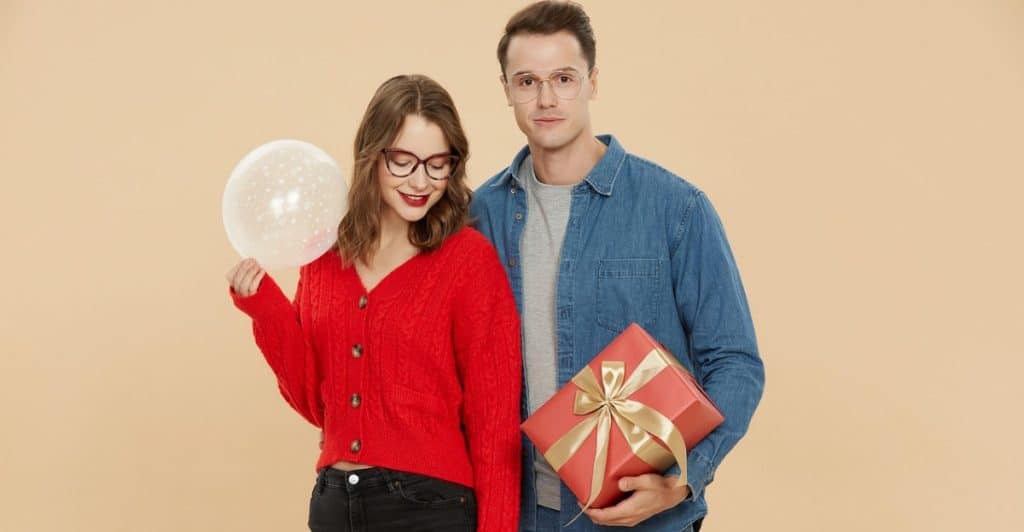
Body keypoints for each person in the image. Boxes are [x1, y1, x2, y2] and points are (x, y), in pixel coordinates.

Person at [470, 2, 766, 531]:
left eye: (563, 78)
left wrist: (682, 479)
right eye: (527, 81)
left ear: (593, 81)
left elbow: (736, 363)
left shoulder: (676, 208)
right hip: (519, 514)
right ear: (505, 88)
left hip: (645, 520)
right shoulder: (479, 216)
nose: (546, 99)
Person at [226, 74, 522, 532]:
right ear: (372, 155)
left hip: (429, 508)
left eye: (437, 163)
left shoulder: (468, 261)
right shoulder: (324, 256)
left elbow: (495, 425)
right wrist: (265, 309)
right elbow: (315, 402)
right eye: (403, 161)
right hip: (333, 504)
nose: (421, 181)